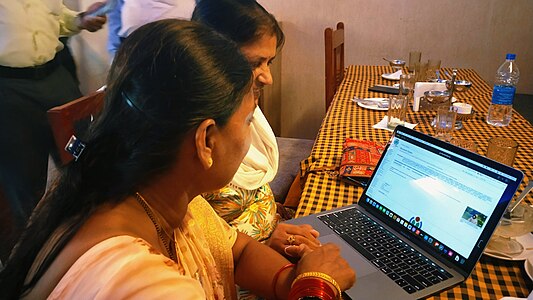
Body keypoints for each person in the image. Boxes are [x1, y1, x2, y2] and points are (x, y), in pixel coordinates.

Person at [0, 19, 355, 299]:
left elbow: (237, 250)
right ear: (205, 141)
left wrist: (288, 282)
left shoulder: (155, 189)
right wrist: (316, 287)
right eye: (248, 121)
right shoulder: (149, 285)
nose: (251, 134)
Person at [193, 0, 318, 259]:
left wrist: (274, 217)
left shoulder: (242, 107)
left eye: (269, 62)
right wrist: (265, 244)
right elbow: (202, 248)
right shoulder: (190, 138)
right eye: (255, 63)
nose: (268, 78)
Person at [0, 1, 107, 262]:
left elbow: (56, 17)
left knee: (86, 161)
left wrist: (79, 21)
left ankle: (91, 248)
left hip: (56, 80)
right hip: (9, 89)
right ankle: (29, 265)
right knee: (24, 184)